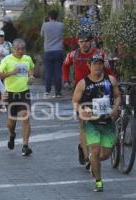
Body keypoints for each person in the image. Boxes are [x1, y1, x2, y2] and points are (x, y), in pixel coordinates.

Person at [62, 29, 114, 167]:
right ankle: (86, 157)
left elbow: (109, 71)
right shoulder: (73, 54)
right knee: (83, 124)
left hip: (99, 92)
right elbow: (65, 65)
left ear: (92, 41)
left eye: (87, 41)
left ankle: (90, 148)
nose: (84, 44)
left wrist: (113, 85)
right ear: (78, 42)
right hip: (82, 93)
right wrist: (66, 79)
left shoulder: (100, 54)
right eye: (81, 41)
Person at [72, 53, 121, 192]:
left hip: (107, 122)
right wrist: (82, 110)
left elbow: (117, 96)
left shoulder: (110, 80)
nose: (98, 66)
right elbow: (75, 101)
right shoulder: (83, 83)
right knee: (95, 149)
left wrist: (115, 108)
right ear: (89, 65)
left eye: (100, 63)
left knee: (104, 155)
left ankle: (93, 160)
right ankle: (98, 181)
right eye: (95, 64)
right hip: (91, 122)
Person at [0, 38, 35, 156]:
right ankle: (12, 134)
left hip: (24, 92)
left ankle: (25, 145)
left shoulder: (27, 58)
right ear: (12, 49)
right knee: (11, 123)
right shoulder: (7, 60)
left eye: (22, 49)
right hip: (11, 93)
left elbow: (31, 68)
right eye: (18, 49)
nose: (20, 51)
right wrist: (11, 73)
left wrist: (31, 76)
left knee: (25, 117)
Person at [40, 10, 65, 98]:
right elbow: (63, 35)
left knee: (48, 72)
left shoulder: (45, 25)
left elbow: (41, 35)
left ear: (49, 16)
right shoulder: (61, 25)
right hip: (58, 50)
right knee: (58, 72)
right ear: (57, 16)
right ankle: (58, 92)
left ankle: (47, 91)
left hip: (48, 51)